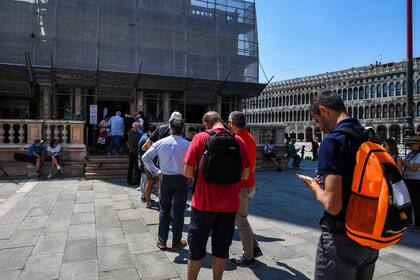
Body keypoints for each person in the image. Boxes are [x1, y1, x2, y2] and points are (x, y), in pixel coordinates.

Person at [300, 91, 379, 280]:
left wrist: (315, 188)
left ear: (323, 110)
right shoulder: (368, 136)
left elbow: (333, 206)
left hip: (342, 238)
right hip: (369, 235)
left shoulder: (333, 141)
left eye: (318, 121)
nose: (320, 127)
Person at [184, 111, 250, 280]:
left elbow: (187, 172)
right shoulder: (238, 140)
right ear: (223, 121)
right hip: (228, 207)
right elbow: (245, 174)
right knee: (221, 251)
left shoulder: (200, 138)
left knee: (196, 252)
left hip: (203, 204)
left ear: (207, 124)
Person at [142, 117, 190, 250]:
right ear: (182, 129)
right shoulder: (187, 144)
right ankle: (176, 242)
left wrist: (156, 171)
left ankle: (162, 240)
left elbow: (145, 157)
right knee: (179, 211)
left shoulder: (160, 142)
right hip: (181, 178)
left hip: (165, 178)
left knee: (164, 209)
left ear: (170, 129)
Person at [227, 111, 262, 267]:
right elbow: (252, 166)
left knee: (240, 221)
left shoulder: (237, 140)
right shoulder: (251, 138)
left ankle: (249, 256)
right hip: (250, 184)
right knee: (243, 218)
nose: (227, 125)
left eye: (228, 122)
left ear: (233, 124)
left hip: (241, 186)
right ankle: (254, 248)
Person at [141, 111, 183, 207]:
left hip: (158, 160)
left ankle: (154, 203)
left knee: (154, 183)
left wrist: (154, 152)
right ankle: (164, 204)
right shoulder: (179, 130)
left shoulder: (161, 128)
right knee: (162, 185)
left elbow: (148, 142)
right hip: (170, 162)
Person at [402, 134, 420, 232]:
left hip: (417, 181)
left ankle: (418, 224)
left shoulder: (419, 155)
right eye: (410, 144)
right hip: (408, 180)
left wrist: (402, 162)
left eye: (413, 144)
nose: (411, 146)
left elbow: (414, 168)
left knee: (417, 203)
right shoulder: (410, 154)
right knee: (409, 202)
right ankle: (408, 221)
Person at [137, 125, 157, 201]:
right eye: (154, 133)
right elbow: (149, 152)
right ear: (150, 132)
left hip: (142, 162)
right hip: (143, 163)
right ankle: (144, 197)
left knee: (144, 180)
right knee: (145, 181)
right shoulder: (146, 139)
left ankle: (145, 196)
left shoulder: (145, 137)